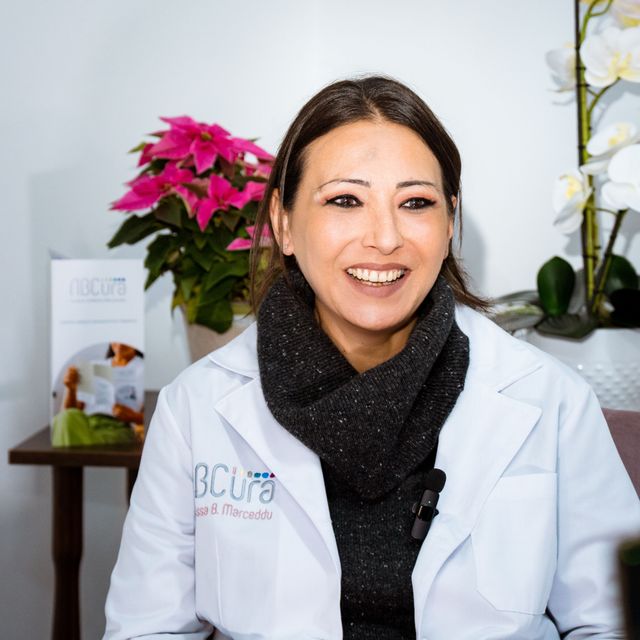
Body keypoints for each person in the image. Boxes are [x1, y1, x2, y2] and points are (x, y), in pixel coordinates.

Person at [103, 76, 640, 639]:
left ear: (450, 223)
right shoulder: (196, 408)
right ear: (284, 223)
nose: (385, 238)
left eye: (416, 203)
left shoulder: (548, 400)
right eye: (345, 200)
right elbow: (145, 629)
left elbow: (615, 623)